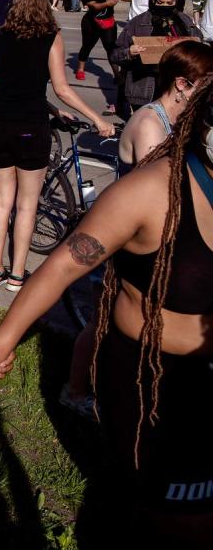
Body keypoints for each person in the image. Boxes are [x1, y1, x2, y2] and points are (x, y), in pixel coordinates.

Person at [0, 77, 213, 549]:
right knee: (180, 520)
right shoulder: (152, 191)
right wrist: (1, 342)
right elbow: (61, 268)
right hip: (154, 380)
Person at [61, 40, 213, 419]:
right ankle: (75, 389)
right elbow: (162, 189)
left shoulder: (181, 120)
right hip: (128, 241)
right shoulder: (150, 122)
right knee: (100, 320)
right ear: (182, 84)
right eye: (205, 83)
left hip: (152, 241)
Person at [0, 0, 114, 293]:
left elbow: (12, 83)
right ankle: (16, 275)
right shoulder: (50, 38)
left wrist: (54, 109)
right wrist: (97, 119)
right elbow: (62, 88)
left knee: (2, 203)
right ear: (46, 10)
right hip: (30, 126)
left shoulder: (1, 38)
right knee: (27, 205)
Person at [118, 41, 213, 170]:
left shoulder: (190, 115)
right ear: (182, 84)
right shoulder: (148, 125)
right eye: (206, 84)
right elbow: (155, 186)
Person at [111, 0, 201, 114]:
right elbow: (115, 54)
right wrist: (129, 53)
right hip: (146, 88)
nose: (165, 6)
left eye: (170, 3)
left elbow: (200, 49)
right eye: (160, 2)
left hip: (177, 90)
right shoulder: (137, 23)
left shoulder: (185, 22)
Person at [74, 0, 132, 118]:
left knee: (111, 47)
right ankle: (80, 68)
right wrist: (107, 4)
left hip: (109, 22)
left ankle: (117, 75)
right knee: (87, 46)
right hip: (91, 22)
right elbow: (92, 6)